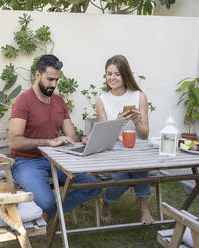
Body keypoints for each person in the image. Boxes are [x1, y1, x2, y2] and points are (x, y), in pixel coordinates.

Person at [8, 54, 101, 220]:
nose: (53, 84)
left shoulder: (59, 101)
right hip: (26, 162)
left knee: (94, 186)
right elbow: (14, 141)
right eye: (50, 79)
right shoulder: (23, 101)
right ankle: (51, 210)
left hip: (55, 160)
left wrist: (84, 139)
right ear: (38, 75)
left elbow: (71, 135)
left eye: (56, 80)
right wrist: (48, 142)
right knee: (46, 201)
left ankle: (51, 213)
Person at [95, 54, 154, 225]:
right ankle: (106, 202)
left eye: (117, 74)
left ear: (125, 75)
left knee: (141, 169)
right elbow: (104, 138)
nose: (112, 78)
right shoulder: (102, 100)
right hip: (114, 152)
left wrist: (136, 121)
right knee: (123, 176)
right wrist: (119, 123)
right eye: (109, 74)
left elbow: (145, 135)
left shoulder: (139, 96)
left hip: (137, 151)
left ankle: (144, 210)